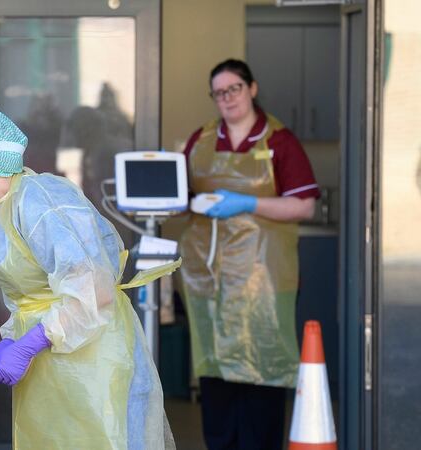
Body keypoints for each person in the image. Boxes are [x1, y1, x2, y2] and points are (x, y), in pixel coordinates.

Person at [0, 102, 178, 450]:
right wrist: (12, 342)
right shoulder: (0, 212)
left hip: (94, 364)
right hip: (54, 366)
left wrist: (29, 343)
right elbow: (32, 300)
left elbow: (94, 287)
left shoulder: (41, 200)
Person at [179, 59, 320, 450]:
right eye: (219, 93)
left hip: (264, 278)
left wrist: (246, 203)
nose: (227, 99)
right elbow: (181, 197)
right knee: (217, 375)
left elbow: (304, 205)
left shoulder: (279, 141)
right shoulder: (201, 140)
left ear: (252, 89)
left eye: (234, 89)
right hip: (209, 278)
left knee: (263, 371)